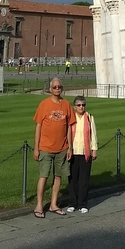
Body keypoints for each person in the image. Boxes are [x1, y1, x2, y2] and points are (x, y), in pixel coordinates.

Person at [33, 78, 74, 218]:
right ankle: (39, 205)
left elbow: (69, 126)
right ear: (50, 89)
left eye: (59, 87)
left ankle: (53, 204)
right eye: (54, 87)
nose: (57, 88)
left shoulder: (66, 105)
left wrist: (70, 147)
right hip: (45, 147)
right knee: (43, 176)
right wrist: (36, 148)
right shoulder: (44, 104)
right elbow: (38, 126)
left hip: (62, 147)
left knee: (58, 177)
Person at [66, 96, 98, 213]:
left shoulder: (89, 117)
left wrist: (94, 149)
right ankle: (73, 203)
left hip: (85, 152)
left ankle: (82, 203)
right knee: (73, 179)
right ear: (74, 106)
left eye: (83, 105)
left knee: (84, 180)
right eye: (79, 105)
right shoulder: (71, 117)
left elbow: (93, 134)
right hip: (73, 152)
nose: (81, 107)